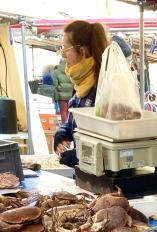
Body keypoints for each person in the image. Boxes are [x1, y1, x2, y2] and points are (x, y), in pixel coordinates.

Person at [53, 20, 108, 168]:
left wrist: (80, 155)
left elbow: (113, 142)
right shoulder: (81, 84)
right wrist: (63, 132)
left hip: (107, 183)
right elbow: (75, 124)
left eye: (65, 49)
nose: (63, 55)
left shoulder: (104, 87)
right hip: (84, 176)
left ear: (82, 52)